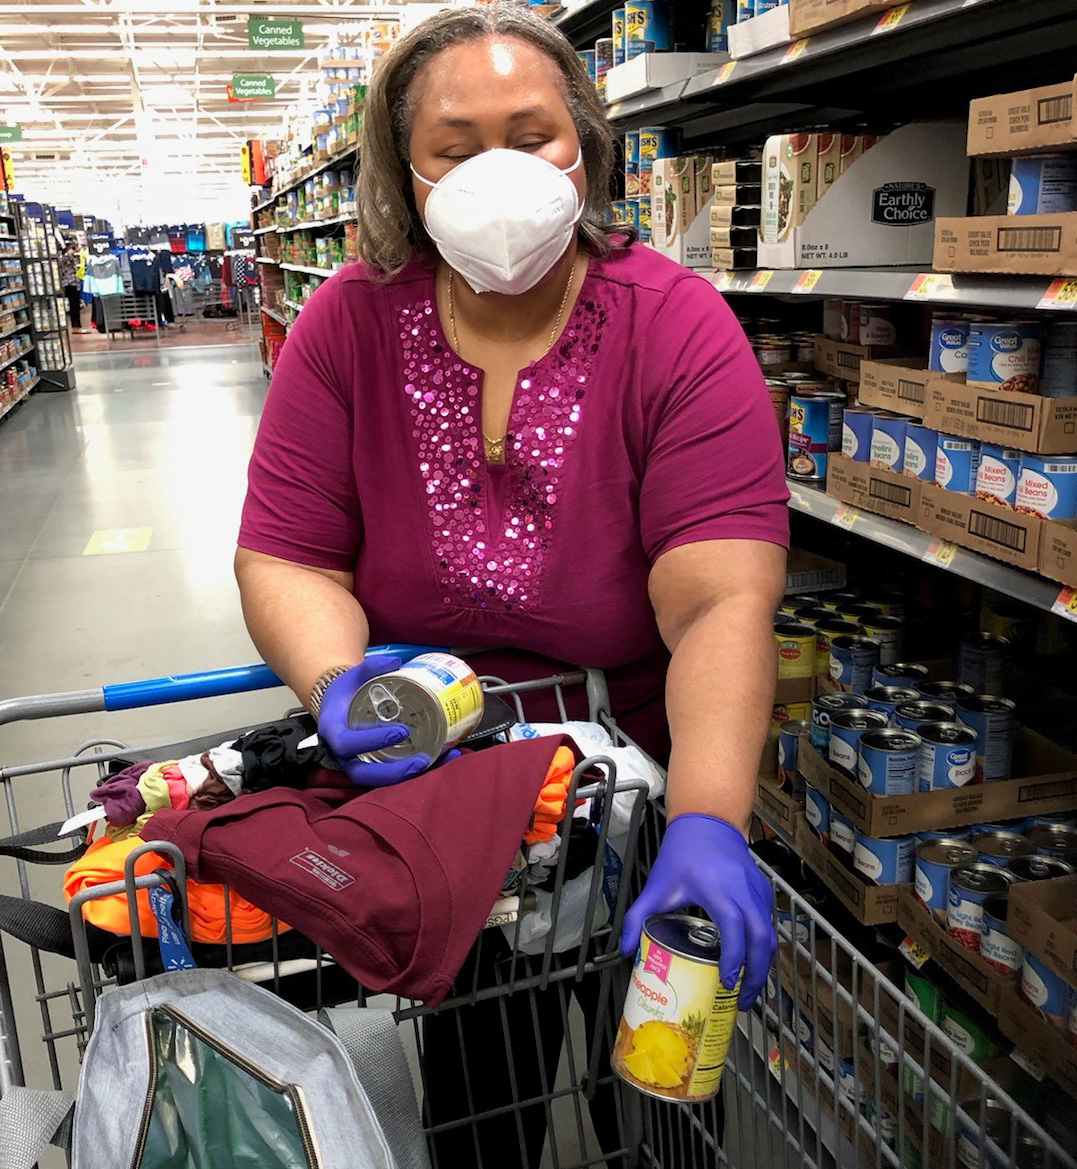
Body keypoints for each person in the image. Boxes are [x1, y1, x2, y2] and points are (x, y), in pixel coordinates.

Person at [235, 6, 788, 1165]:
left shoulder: (675, 327)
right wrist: (344, 686)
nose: (497, 166)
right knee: (479, 1097)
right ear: (405, 166)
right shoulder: (348, 320)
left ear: (585, 142)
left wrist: (706, 819)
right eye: (455, 142)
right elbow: (290, 549)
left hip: (634, 783)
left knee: (663, 1101)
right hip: (440, 788)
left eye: (532, 133)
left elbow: (720, 600)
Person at [59, 239, 85, 333]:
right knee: (74, 307)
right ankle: (76, 327)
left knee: (75, 306)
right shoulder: (64, 259)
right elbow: (64, 260)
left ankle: (77, 326)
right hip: (69, 285)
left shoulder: (71, 259)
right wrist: (70, 252)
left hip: (74, 284)